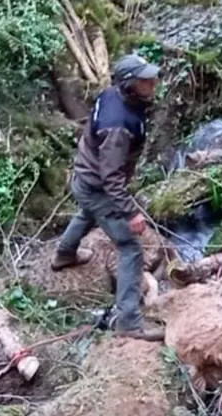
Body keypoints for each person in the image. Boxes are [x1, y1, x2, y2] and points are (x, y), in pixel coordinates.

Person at [54, 54, 165, 340]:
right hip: (97, 186)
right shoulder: (118, 127)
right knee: (131, 248)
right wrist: (131, 212)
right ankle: (129, 323)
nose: (152, 84)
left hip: (84, 177)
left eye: (152, 78)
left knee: (88, 212)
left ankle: (64, 253)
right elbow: (111, 178)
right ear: (129, 84)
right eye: (145, 81)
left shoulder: (111, 94)